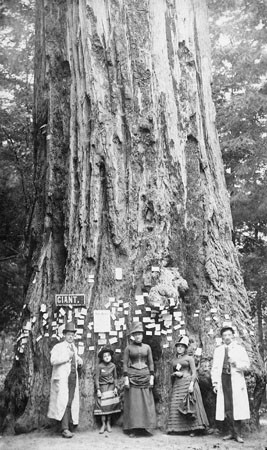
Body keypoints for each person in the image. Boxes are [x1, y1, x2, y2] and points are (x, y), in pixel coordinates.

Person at [211, 325, 250, 443]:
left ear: (233, 336)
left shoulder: (240, 349)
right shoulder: (218, 350)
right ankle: (230, 432)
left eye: (229, 335)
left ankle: (237, 433)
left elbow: (247, 366)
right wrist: (215, 383)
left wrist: (236, 363)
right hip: (224, 379)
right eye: (224, 335)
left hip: (236, 379)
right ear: (222, 338)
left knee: (236, 406)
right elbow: (215, 368)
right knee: (226, 407)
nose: (227, 337)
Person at [167, 336, 209, 435]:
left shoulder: (189, 358)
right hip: (177, 385)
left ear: (185, 348)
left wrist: (191, 384)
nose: (180, 348)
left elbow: (194, 373)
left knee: (189, 406)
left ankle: (194, 429)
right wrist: (175, 374)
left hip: (187, 383)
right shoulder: (174, 361)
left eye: (182, 346)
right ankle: (177, 429)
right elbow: (171, 374)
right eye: (178, 346)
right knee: (176, 405)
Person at [47, 322, 83, 438]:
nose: (70, 337)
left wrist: (78, 359)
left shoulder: (74, 347)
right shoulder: (58, 347)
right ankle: (64, 428)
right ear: (64, 335)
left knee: (70, 401)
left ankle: (69, 424)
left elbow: (74, 356)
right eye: (68, 334)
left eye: (72, 334)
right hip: (62, 378)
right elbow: (53, 361)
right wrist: (67, 357)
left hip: (72, 377)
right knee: (63, 401)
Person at [123, 322, 156, 437]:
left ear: (142, 335)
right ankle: (134, 428)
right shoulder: (128, 348)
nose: (138, 336)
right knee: (134, 403)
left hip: (145, 376)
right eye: (136, 334)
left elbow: (151, 363)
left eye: (140, 334)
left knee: (146, 402)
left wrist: (151, 377)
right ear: (133, 335)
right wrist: (126, 378)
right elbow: (125, 364)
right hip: (133, 376)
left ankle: (145, 428)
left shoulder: (147, 347)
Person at [94, 346, 121, 433]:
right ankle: (103, 424)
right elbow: (96, 379)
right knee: (103, 407)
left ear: (111, 357)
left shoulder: (113, 366)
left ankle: (109, 423)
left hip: (111, 387)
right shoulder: (99, 366)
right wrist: (98, 389)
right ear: (102, 357)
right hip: (103, 388)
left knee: (109, 407)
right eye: (105, 356)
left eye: (108, 356)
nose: (107, 357)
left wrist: (116, 387)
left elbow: (115, 377)